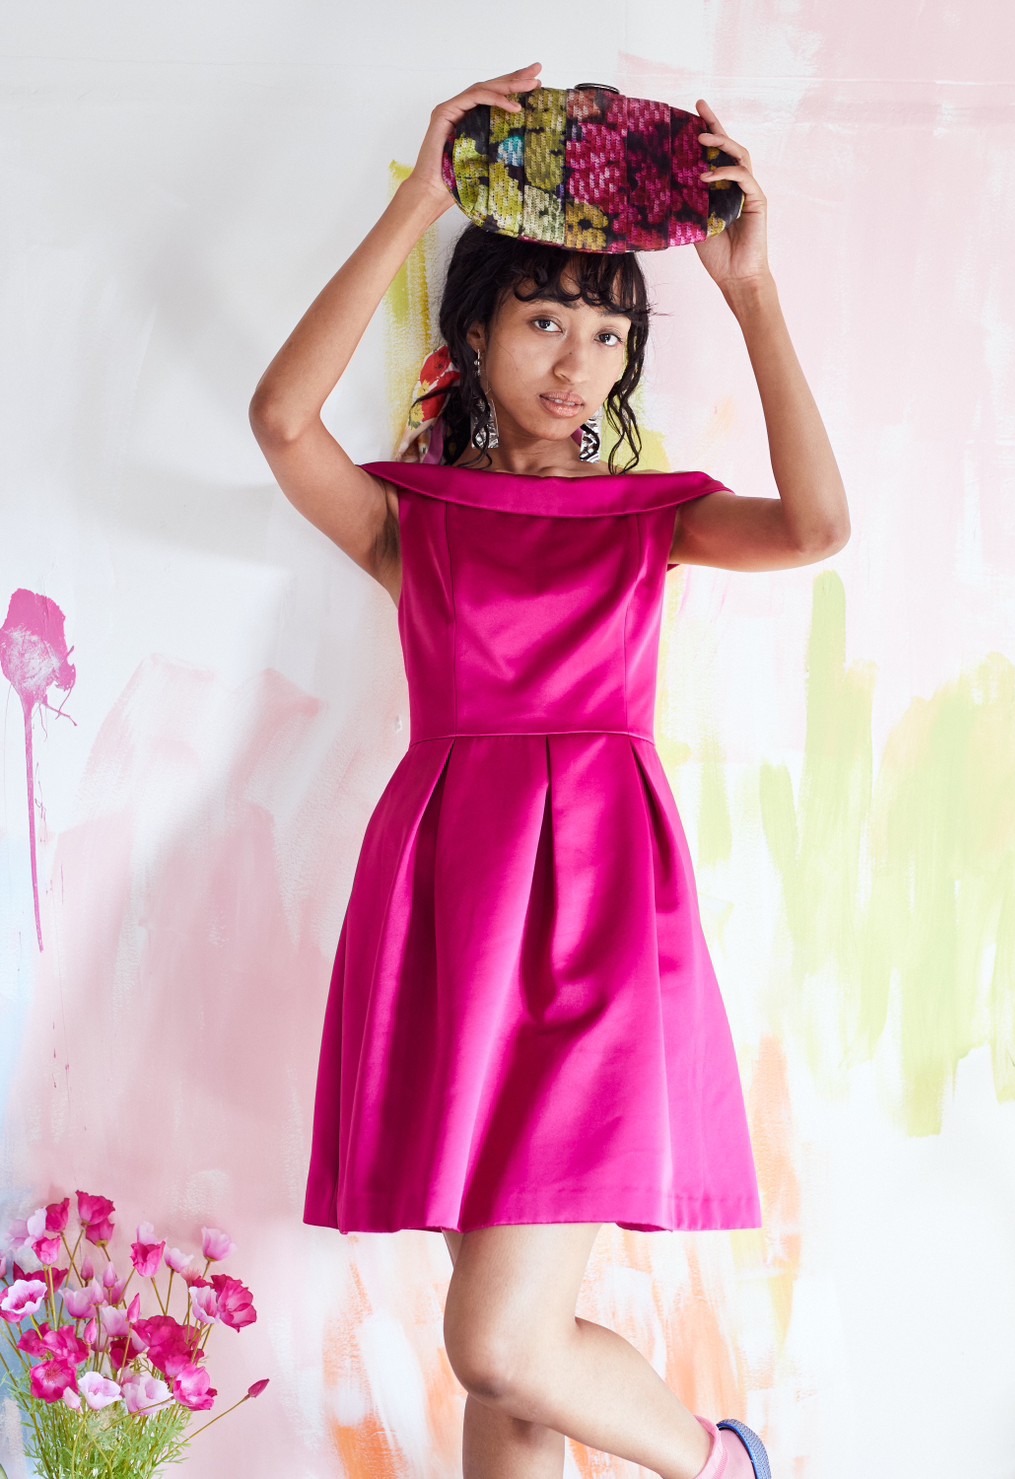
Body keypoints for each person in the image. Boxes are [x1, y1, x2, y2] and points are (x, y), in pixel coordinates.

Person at [249, 61, 848, 1479]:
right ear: (474, 332)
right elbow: (280, 421)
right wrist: (419, 200)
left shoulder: (650, 520)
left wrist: (753, 294)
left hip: (599, 920)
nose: (577, 361)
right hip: (448, 913)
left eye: (605, 331)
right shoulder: (418, 519)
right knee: (507, 1372)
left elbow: (818, 527)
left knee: (501, 1343)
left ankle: (721, 1463)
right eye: (541, 320)